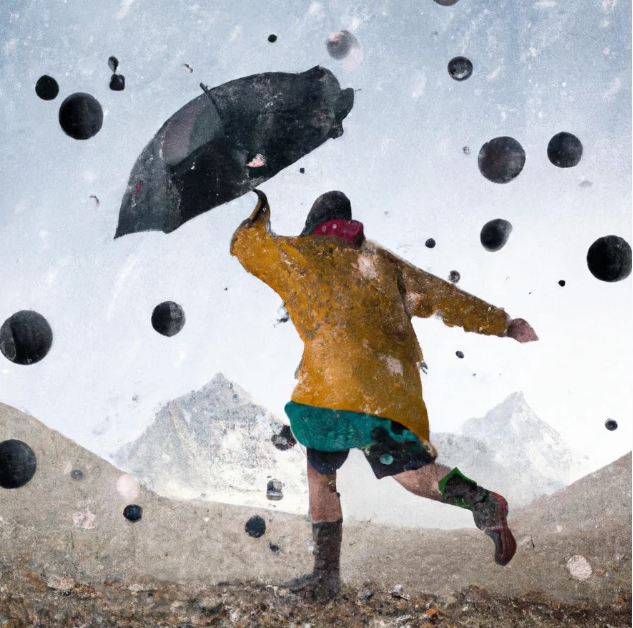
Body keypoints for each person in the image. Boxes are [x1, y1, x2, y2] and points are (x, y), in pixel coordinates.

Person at [230, 189, 539, 602]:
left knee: (321, 474)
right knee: (415, 476)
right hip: (388, 396)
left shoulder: (300, 256)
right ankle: (482, 502)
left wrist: (257, 200)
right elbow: (444, 296)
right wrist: (502, 323)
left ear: (312, 225)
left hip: (328, 397)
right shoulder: (382, 262)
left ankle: (325, 577)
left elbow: (248, 247)